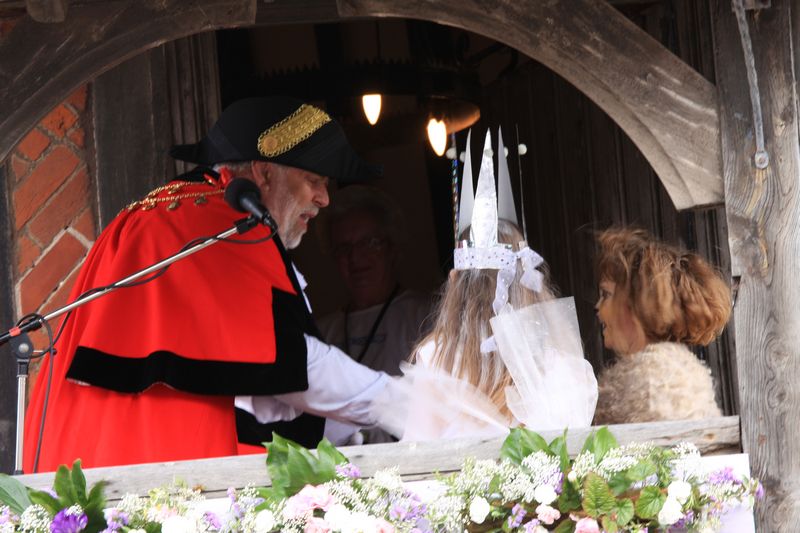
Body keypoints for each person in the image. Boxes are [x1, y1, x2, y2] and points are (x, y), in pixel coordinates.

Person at [22, 96, 394, 472]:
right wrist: (397, 401)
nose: (324, 198)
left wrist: (348, 424)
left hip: (109, 452)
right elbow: (289, 363)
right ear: (264, 173)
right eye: (313, 179)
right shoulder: (213, 223)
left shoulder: (173, 210)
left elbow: (254, 387)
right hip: (160, 466)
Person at [390, 129, 597, 440]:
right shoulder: (560, 361)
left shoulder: (436, 358)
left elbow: (419, 451)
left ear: (455, 283)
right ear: (528, 283)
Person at [315, 186, 432, 444]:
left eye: (370, 243)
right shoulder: (321, 332)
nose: (356, 258)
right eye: (343, 248)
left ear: (392, 247)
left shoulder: (424, 317)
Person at [592, 227, 731, 425]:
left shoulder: (652, 384)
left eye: (606, 295)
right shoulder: (677, 373)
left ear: (638, 303)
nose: (598, 307)